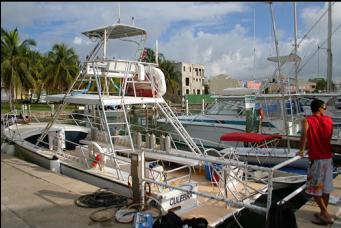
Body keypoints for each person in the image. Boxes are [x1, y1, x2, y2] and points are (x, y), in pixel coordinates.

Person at [298, 98, 334, 225]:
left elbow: (304, 136)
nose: (325, 110)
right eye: (324, 108)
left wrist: (301, 150)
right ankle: (323, 212)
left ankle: (325, 214)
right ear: (319, 108)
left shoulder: (307, 120)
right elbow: (329, 136)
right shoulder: (329, 120)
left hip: (316, 159)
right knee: (325, 188)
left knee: (314, 189)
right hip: (328, 159)